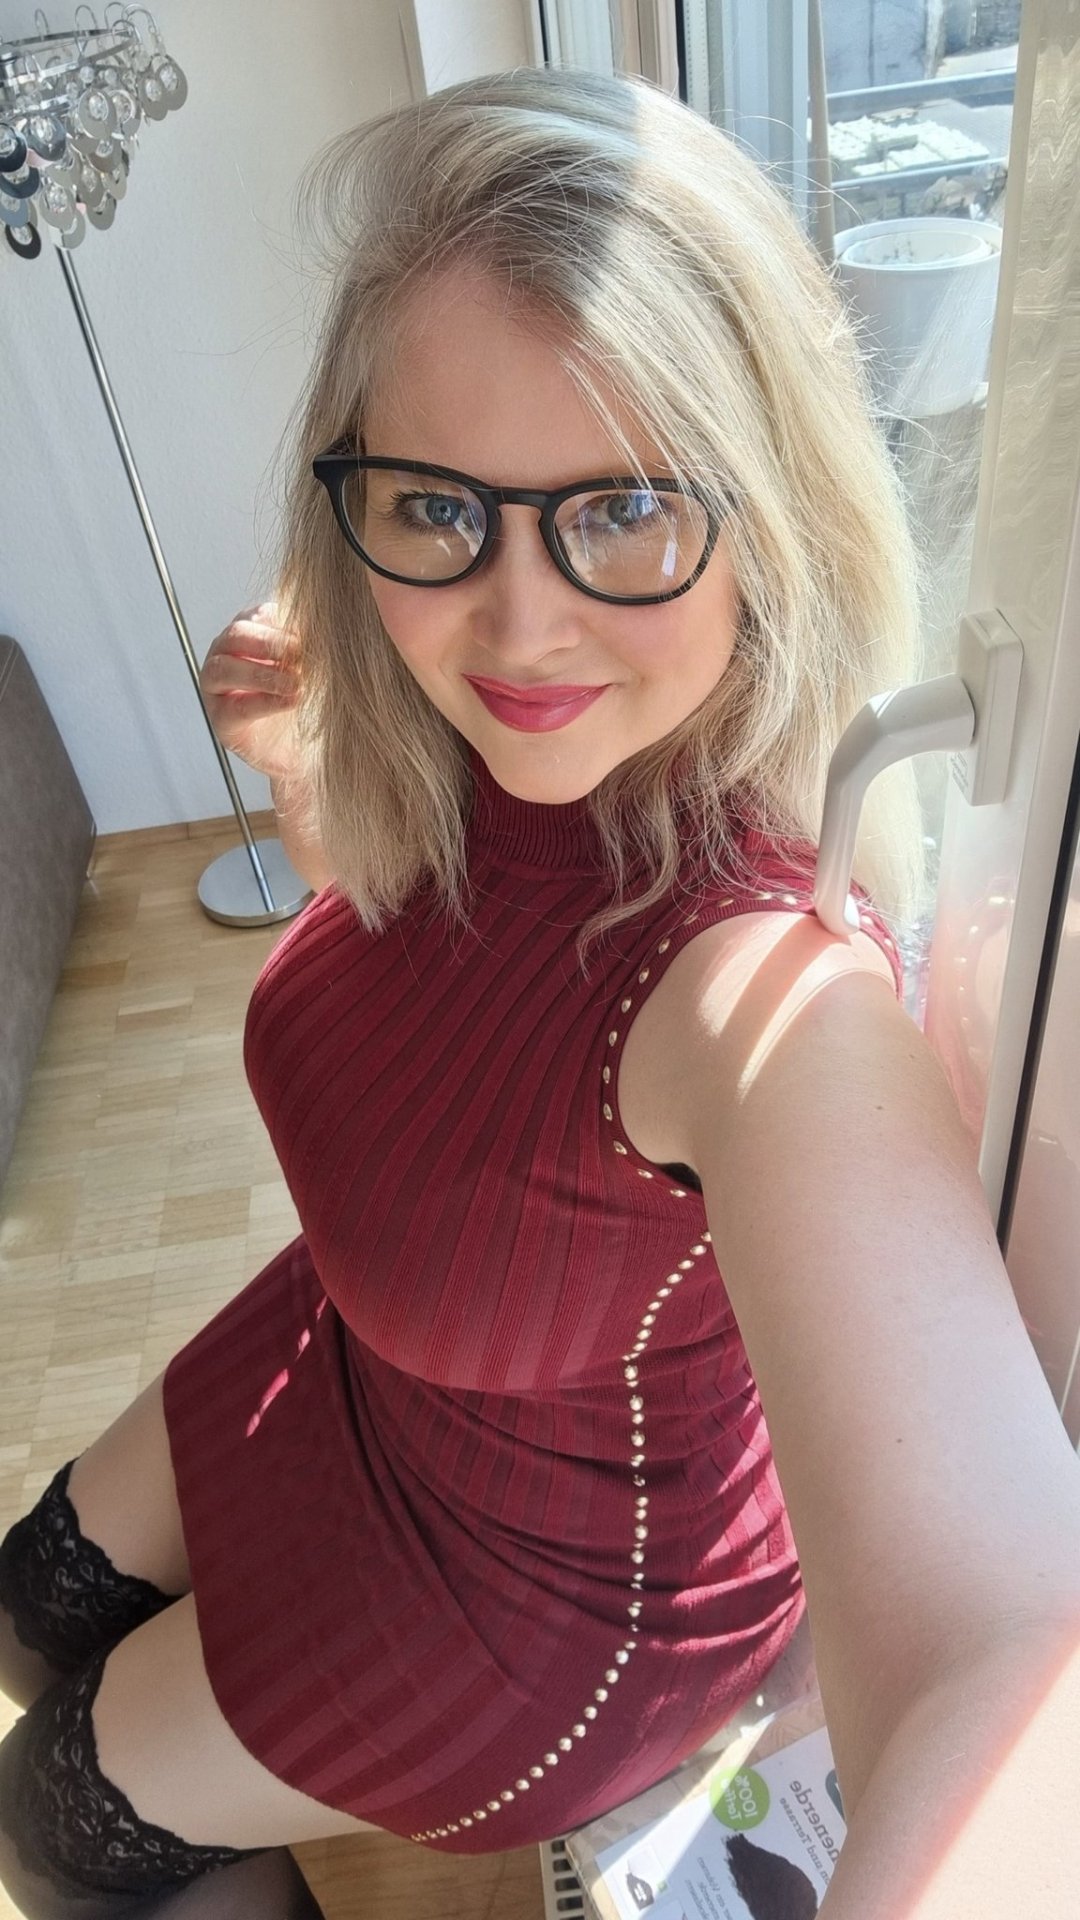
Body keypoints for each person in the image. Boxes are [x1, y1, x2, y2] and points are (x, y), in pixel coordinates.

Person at [2, 64, 1078, 1920]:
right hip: (359, 1350)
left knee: (55, 1820)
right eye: (440, 506)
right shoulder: (471, 748)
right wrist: (313, 780)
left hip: (545, 1606)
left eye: (629, 508)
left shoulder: (767, 997)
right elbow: (431, 986)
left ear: (775, 509)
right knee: (28, 1612)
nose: (518, 624)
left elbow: (1009, 1649)